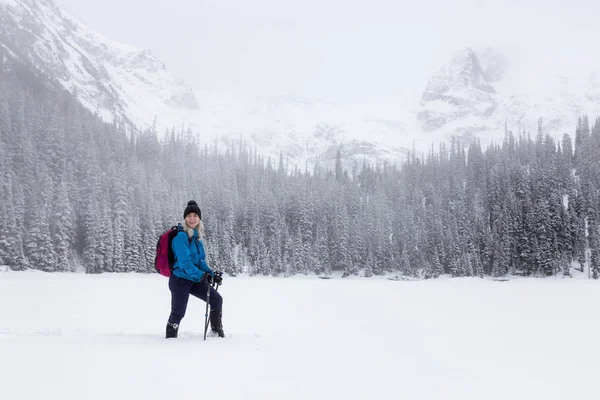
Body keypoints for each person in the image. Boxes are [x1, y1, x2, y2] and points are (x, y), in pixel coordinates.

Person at [166, 200, 225, 338]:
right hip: (180, 279)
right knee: (178, 313)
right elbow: (185, 263)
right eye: (189, 216)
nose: (192, 219)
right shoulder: (181, 237)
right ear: (185, 218)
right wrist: (202, 275)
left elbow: (200, 261)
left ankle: (216, 331)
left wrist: (211, 273)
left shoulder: (197, 238)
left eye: (195, 216)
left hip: (193, 278)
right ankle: (169, 340)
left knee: (217, 300)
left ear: (199, 218)